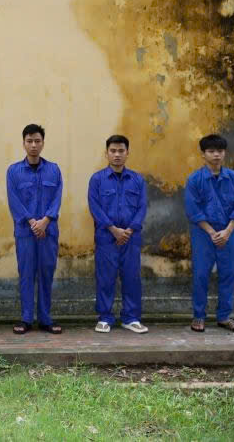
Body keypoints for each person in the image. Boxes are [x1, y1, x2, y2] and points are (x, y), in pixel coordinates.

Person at [184, 134, 234, 333]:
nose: (216, 155)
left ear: (224, 153)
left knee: (229, 274)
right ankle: (199, 316)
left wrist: (227, 231)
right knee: (201, 274)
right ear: (203, 155)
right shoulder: (194, 180)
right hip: (203, 233)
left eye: (219, 151)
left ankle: (224, 316)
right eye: (211, 151)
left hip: (228, 232)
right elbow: (193, 210)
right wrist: (212, 232)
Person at [87, 135, 148, 334]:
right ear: (106, 153)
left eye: (121, 151)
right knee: (106, 277)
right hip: (106, 237)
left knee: (131, 277)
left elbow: (141, 207)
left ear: (127, 153)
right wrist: (113, 229)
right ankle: (105, 317)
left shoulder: (137, 180)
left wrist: (129, 230)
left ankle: (131, 317)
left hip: (131, 238)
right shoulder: (97, 180)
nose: (117, 155)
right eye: (113, 151)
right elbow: (95, 207)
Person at [6, 124, 63, 335]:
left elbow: (57, 197)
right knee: (27, 274)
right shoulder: (13, 171)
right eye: (29, 141)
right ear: (23, 143)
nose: (33, 145)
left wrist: (45, 221)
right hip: (25, 232)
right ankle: (26, 318)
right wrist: (32, 222)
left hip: (48, 232)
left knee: (46, 274)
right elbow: (14, 200)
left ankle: (46, 319)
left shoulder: (54, 169)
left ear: (43, 143)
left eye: (37, 141)